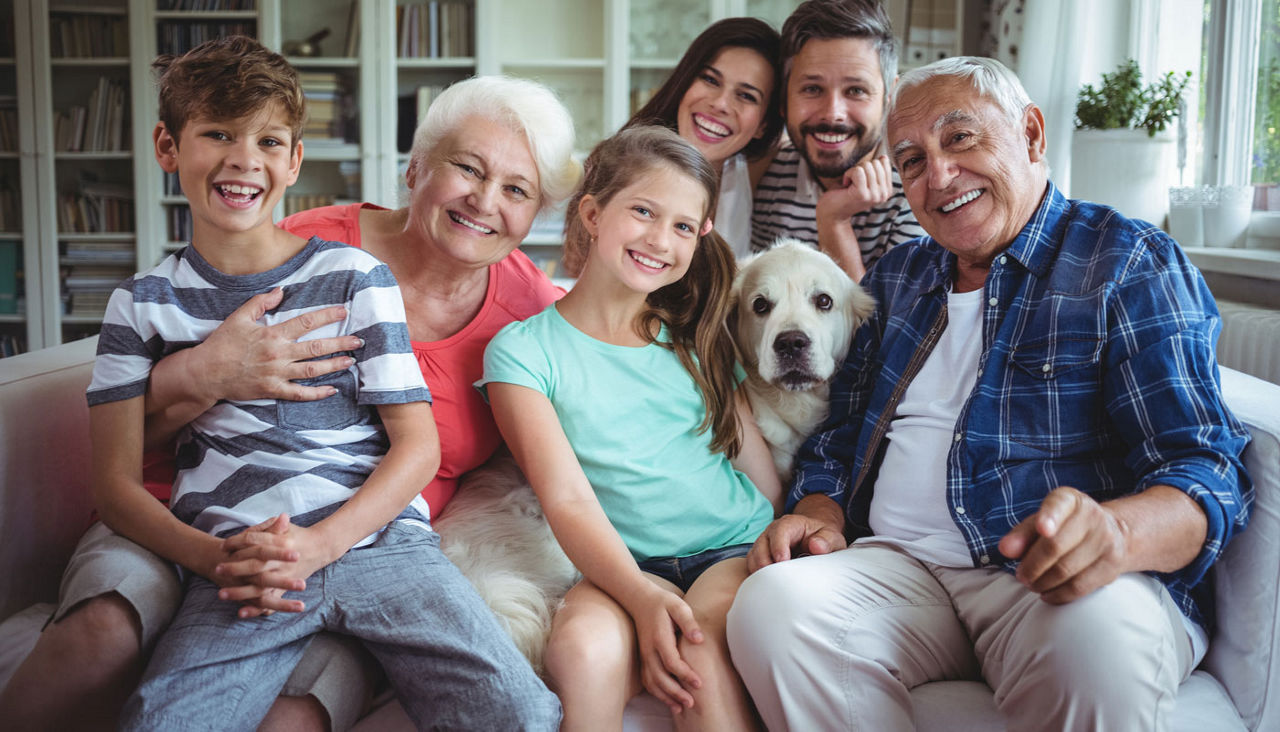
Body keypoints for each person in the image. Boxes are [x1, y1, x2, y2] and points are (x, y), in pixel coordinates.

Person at [0, 69, 577, 730]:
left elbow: (580, 410)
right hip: (200, 525)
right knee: (107, 644)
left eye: (516, 189)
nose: (484, 200)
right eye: (467, 169)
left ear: (539, 212)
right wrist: (204, 376)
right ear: (416, 168)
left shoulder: (528, 312)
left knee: (299, 715)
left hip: (370, 540)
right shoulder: (295, 247)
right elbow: (121, 458)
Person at [726, 55, 1253, 731]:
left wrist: (1117, 533)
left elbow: (1205, 466)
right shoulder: (898, 279)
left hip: (1057, 581)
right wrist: (823, 510)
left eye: (961, 138)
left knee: (1096, 641)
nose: (938, 175)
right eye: (911, 160)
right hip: (899, 571)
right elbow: (839, 433)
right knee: (772, 608)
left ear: (1032, 135)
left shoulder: (1125, 263)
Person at [479, 126, 783, 730]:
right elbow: (565, 499)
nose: (658, 238)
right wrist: (641, 597)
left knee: (692, 645)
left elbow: (762, 480)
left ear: (700, 238)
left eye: (681, 226)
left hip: (727, 549)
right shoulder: (522, 353)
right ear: (592, 214)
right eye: (642, 211)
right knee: (582, 650)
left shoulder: (695, 340)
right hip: (621, 566)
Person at [750, 0, 924, 280]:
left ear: (889, 98)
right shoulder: (767, 176)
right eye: (812, 88)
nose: (833, 114)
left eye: (856, 90)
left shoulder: (918, 190)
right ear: (783, 98)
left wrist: (834, 222)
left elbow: (886, 324)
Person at [624, 17, 783, 259]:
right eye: (710, 80)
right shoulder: (624, 167)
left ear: (763, 125)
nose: (720, 104)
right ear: (684, 82)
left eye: (746, 96)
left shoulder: (753, 171)